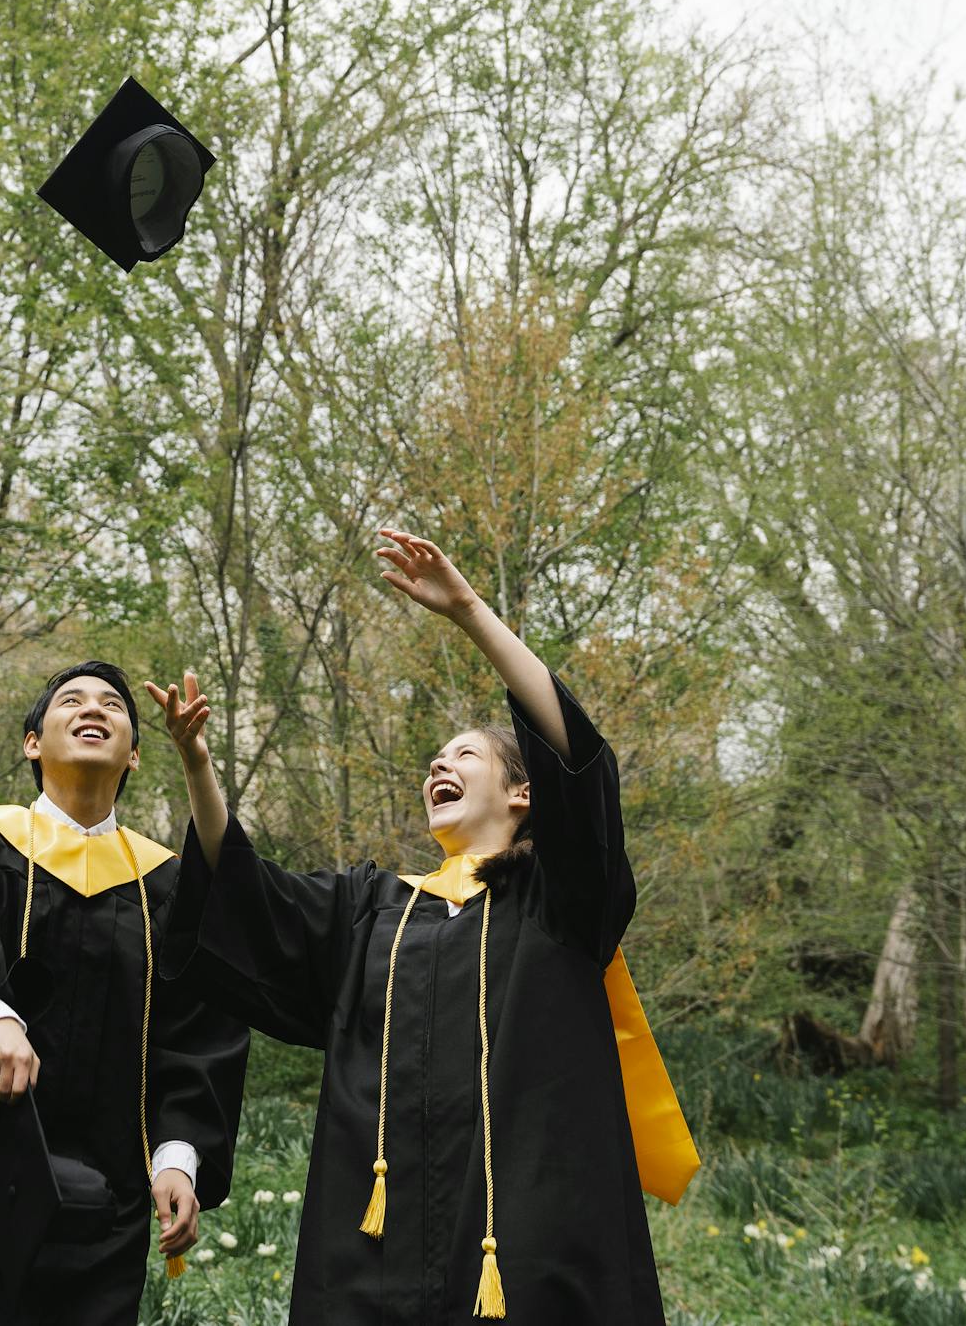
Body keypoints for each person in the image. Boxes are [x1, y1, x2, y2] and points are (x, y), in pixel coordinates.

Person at [145, 529, 697, 1325]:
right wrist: (198, 765)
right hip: (372, 1256)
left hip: (532, 1251)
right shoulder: (372, 910)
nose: (439, 764)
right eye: (435, 757)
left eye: (464, 754)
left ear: (523, 794)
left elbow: (576, 758)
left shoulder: (560, 900)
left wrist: (470, 611)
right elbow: (243, 899)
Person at [0, 661, 251, 1326]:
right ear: (32, 742)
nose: (94, 708)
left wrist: (178, 1157)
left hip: (105, 1204)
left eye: (113, 705)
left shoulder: (168, 887)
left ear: (136, 754)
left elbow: (198, 1032)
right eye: (72, 700)